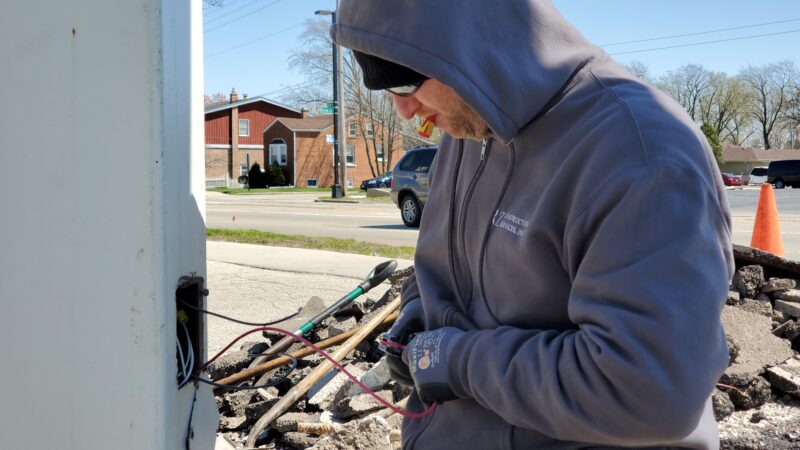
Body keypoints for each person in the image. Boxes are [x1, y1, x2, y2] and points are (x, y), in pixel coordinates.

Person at [331, 1, 733, 449]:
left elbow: (648, 391)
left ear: (466, 48)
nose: (403, 110)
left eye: (405, 82)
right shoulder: (468, 132)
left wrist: (458, 363)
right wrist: (418, 314)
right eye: (384, 89)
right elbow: (447, 275)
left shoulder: (639, 153)